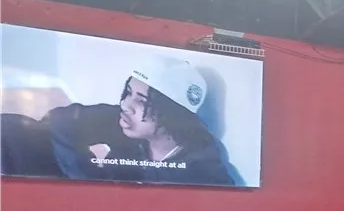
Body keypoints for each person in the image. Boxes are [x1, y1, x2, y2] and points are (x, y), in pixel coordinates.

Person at [1, 58, 238, 187]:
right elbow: (61, 121)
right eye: (128, 92)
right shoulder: (126, 119)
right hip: (88, 208)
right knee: (13, 130)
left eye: (143, 100)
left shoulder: (206, 172)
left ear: (173, 115)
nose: (126, 105)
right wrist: (87, 173)